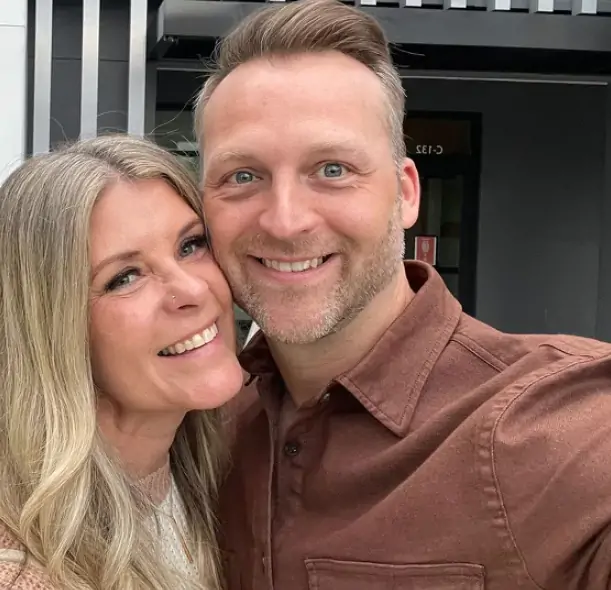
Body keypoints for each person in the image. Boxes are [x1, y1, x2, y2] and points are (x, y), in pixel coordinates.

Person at [194, 0, 611, 588]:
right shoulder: (200, 430)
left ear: (406, 193)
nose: (285, 221)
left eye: (332, 169)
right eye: (243, 176)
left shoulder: (553, 424)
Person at [0, 135, 244, 590]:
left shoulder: (223, 462)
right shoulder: (21, 572)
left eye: (191, 245)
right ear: (52, 331)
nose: (193, 290)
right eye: (125, 277)